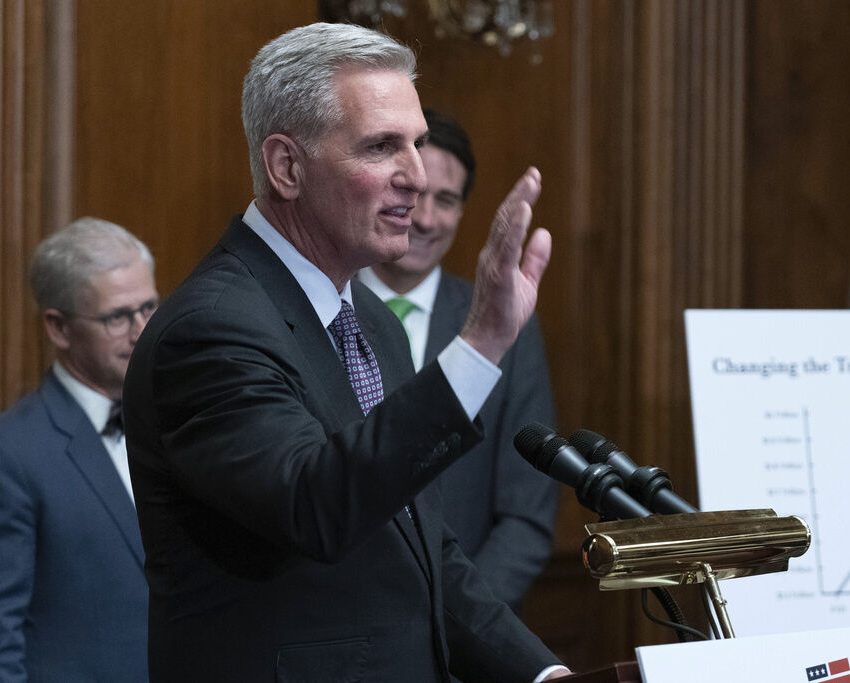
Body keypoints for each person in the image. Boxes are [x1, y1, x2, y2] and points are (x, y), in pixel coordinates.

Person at [123, 22, 569, 682]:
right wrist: (480, 343)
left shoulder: (372, 325)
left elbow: (421, 548)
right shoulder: (211, 329)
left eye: (416, 144)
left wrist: (542, 673)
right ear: (287, 167)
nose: (416, 178)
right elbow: (316, 504)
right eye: (383, 146)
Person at [357, 108, 558, 611]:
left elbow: (526, 515)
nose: (425, 219)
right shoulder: (320, 311)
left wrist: (453, 628)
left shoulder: (507, 324)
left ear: (462, 212)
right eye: (416, 196)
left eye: (445, 201)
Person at [0, 217, 155, 681]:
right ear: (58, 328)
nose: (141, 331)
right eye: (118, 317)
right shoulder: (8, 454)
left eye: (149, 308)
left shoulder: (178, 422)